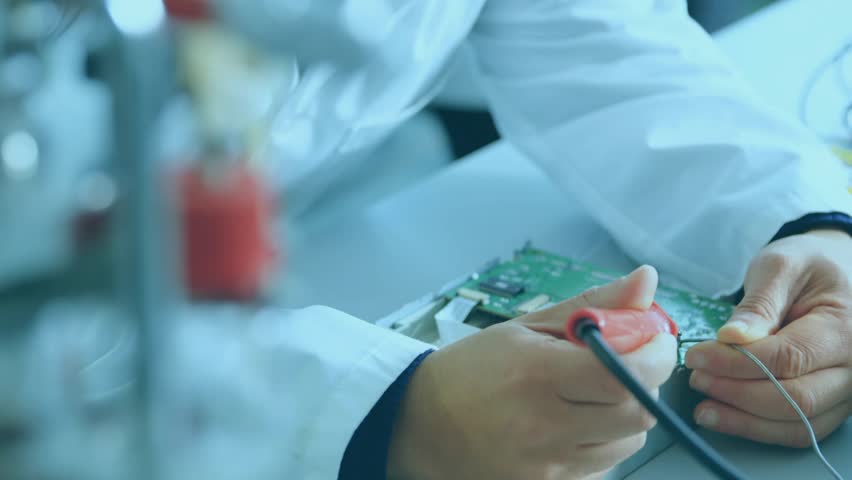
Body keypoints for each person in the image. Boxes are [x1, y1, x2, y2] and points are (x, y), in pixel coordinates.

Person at [207, 0, 852, 478]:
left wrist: (814, 225)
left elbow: (597, 38)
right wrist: (379, 411)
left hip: (317, 210)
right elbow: (106, 325)